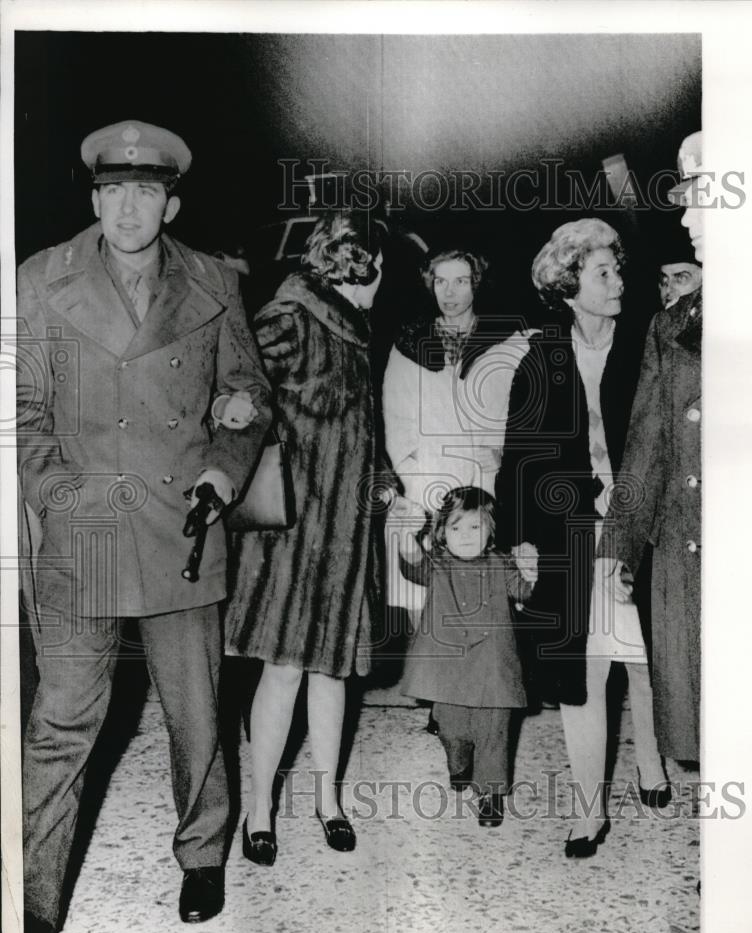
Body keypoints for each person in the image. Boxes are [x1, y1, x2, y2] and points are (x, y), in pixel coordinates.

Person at [16, 120, 270, 933]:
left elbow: (246, 395)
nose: (130, 207)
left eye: (148, 191)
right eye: (114, 190)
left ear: (172, 200)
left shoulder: (214, 282)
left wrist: (226, 471)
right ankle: (35, 901)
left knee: (196, 717)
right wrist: (61, 497)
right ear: (94, 197)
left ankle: (202, 858)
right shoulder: (41, 280)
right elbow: (22, 417)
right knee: (60, 722)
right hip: (83, 534)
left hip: (180, 529)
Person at [225, 210, 397, 864]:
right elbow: (242, 396)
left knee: (334, 673)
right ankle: (260, 807)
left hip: (345, 535)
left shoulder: (350, 326)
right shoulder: (291, 317)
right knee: (284, 671)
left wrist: (379, 477)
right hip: (294, 536)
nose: (385, 281)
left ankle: (328, 800)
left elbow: (355, 423)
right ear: (362, 264)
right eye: (382, 268)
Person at [499, 218, 669, 858]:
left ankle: (651, 760)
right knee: (585, 669)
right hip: (571, 534)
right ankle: (588, 810)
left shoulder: (649, 342)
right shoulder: (543, 357)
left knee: (648, 660)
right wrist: (520, 537)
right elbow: (520, 458)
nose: (619, 281)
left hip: (642, 526)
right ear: (570, 285)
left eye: (618, 269)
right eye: (604, 273)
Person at [382, 249, 532, 730]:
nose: (450, 293)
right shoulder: (409, 342)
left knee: (483, 590)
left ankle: (479, 688)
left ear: (477, 283)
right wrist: (411, 473)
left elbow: (520, 407)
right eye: (441, 282)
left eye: (461, 281)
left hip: (482, 479)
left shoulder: (504, 341)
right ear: (429, 284)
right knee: (427, 588)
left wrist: (501, 453)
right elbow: (396, 415)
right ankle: (438, 691)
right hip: (427, 479)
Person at [600, 132, 704, 765]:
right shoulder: (671, 327)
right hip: (683, 550)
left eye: (703, 198)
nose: (688, 216)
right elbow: (645, 448)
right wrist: (620, 544)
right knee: (702, 711)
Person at [396, 487, 536, 827]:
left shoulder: (503, 563)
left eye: (476, 527)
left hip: (492, 665)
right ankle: (459, 763)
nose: (466, 537)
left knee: (494, 732)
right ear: (442, 532)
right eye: (456, 528)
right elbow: (413, 567)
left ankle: (491, 795)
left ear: (491, 530)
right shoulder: (438, 564)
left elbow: (526, 591)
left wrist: (533, 570)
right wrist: (405, 536)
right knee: (452, 728)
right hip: (449, 668)